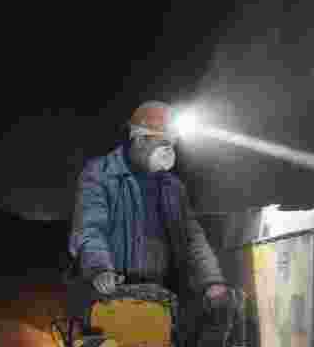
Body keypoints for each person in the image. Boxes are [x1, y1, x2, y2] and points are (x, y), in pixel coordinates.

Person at [68, 101, 230, 314]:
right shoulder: (101, 174)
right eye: (163, 143)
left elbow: (192, 237)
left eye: (172, 144)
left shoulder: (172, 187)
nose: (169, 151)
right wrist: (99, 269)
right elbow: (90, 228)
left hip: (160, 295)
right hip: (111, 297)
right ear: (140, 140)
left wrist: (211, 280)